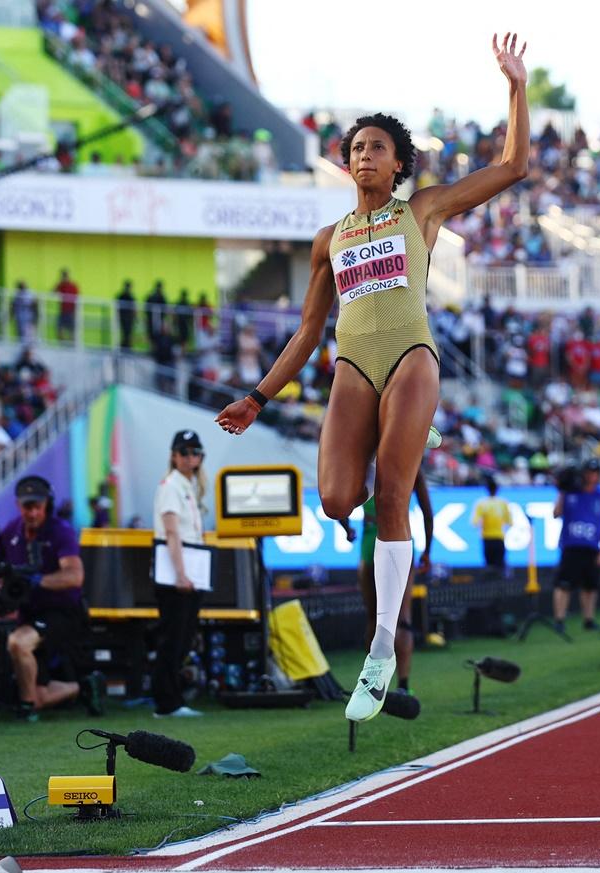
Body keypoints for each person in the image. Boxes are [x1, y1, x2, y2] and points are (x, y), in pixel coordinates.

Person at [216, 33, 529, 723]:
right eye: (356, 148)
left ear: (398, 164)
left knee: (392, 495)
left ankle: (382, 647)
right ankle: (413, 430)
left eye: (377, 148)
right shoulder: (329, 240)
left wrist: (515, 85)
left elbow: (511, 165)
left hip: (411, 356)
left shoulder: (423, 210)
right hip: (354, 365)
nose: (365, 156)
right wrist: (259, 397)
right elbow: (306, 332)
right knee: (334, 501)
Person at [0, 475, 103, 721]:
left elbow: (75, 576)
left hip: (63, 611)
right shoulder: (11, 531)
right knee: (39, 695)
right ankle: (83, 687)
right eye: (26, 507)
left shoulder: (60, 531)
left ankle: (26, 710)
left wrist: (38, 580)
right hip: (30, 613)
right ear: (18, 505)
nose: (32, 513)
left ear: (47, 505)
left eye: (37, 506)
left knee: (17, 643)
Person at [341, 468, 433, 696]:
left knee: (374, 618)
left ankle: (371, 686)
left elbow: (337, 502)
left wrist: (347, 528)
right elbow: (427, 513)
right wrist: (427, 552)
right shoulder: (410, 463)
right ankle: (403, 685)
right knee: (402, 618)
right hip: (399, 538)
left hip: (370, 537)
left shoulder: (363, 465)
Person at [152, 430, 207, 718]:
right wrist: (181, 574)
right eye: (183, 452)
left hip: (189, 570)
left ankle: (172, 699)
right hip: (177, 573)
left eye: (194, 452)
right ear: (174, 456)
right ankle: (167, 702)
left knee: (182, 637)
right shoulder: (172, 485)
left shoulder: (187, 485)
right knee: (173, 638)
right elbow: (171, 532)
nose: (189, 458)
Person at [553, 459, 600, 634]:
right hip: (572, 544)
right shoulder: (571, 493)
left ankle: (589, 619)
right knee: (564, 584)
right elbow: (556, 513)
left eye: (595, 473)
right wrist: (562, 492)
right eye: (589, 472)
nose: (591, 476)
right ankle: (560, 619)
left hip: (592, 545)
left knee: (590, 586)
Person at [471, 474, 512, 576]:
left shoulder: (481, 504)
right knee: (499, 566)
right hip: (499, 537)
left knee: (489, 566)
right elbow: (510, 522)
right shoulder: (503, 503)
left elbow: (474, 522)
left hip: (486, 538)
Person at [54, 269, 79, 342]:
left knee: (72, 331)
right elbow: (53, 292)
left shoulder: (73, 286)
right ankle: (62, 345)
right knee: (59, 329)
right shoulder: (61, 285)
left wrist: (75, 312)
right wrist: (59, 283)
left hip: (71, 312)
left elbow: (77, 299)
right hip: (62, 312)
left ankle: (71, 346)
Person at [116, 280, 136, 351]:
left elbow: (134, 308)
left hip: (127, 318)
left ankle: (126, 346)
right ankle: (125, 347)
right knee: (126, 333)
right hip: (125, 318)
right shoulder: (123, 296)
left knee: (127, 334)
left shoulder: (128, 296)